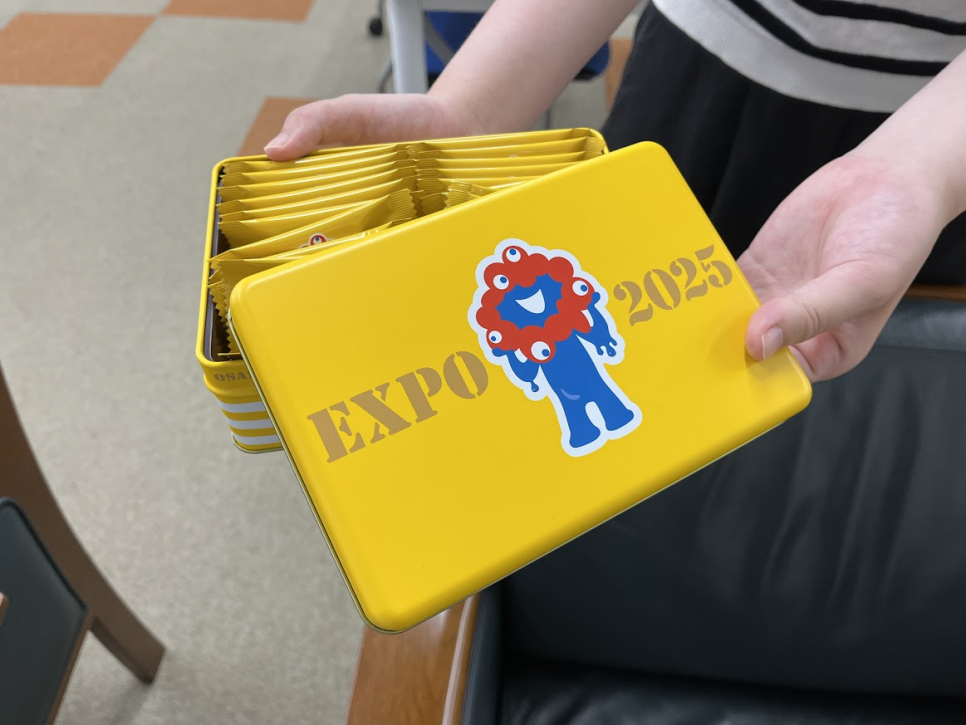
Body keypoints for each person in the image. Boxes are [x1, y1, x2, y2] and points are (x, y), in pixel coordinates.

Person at [263, 0, 966, 383]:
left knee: (852, 408)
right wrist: (467, 112)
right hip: (699, 70)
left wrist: (920, 170)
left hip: (938, 139)